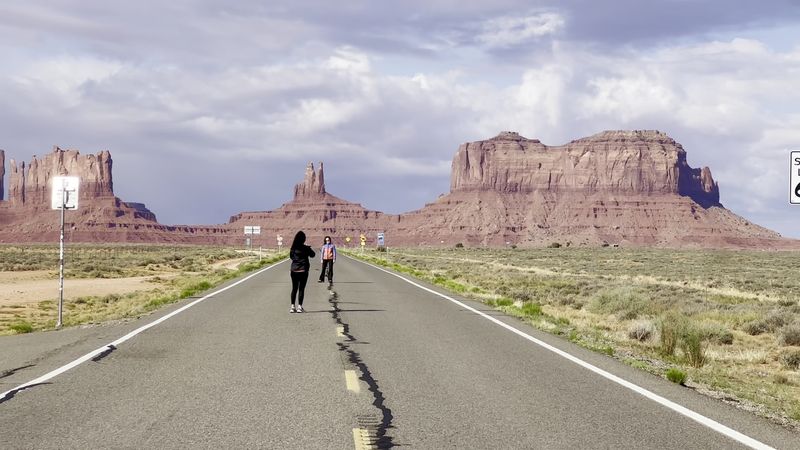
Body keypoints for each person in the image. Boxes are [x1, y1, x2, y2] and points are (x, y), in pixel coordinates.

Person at [289, 231, 315, 313]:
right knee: (301, 289)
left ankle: (292, 307)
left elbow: (291, 257)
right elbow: (313, 255)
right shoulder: (306, 248)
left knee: (294, 288)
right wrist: (308, 248)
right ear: (304, 239)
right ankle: (300, 307)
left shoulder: (293, 248)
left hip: (294, 270)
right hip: (303, 270)